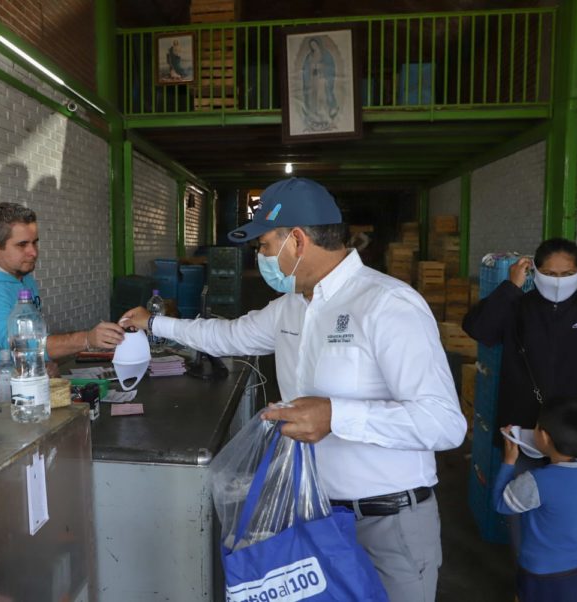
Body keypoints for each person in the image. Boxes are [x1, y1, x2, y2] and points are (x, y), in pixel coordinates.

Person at [121, 177, 467, 602]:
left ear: (297, 240)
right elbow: (230, 336)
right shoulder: (292, 306)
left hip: (385, 525)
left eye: (265, 246)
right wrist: (154, 324)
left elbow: (445, 424)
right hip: (314, 517)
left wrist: (335, 415)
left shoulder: (387, 305)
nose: (263, 258)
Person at [463, 237, 577, 602]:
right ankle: (533, 590)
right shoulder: (518, 307)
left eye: (568, 273)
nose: (558, 280)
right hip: (528, 435)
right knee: (522, 524)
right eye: (550, 273)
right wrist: (510, 285)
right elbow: (479, 329)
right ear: (533, 271)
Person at [0, 202, 125, 401]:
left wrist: (44, 363)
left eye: (35, 242)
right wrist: (87, 339)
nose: (33, 252)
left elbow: (34, 336)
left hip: (26, 400)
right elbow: (22, 345)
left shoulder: (23, 278)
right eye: (22, 245)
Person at [494, 398, 577, 602]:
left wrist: (509, 461)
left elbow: (501, 503)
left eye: (537, 428)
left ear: (545, 438)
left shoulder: (538, 481)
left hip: (544, 579)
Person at [302, 37, 338, 130]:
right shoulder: (310, 56)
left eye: (314, 44)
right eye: (311, 45)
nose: (313, 46)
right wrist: (312, 68)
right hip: (313, 79)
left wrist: (320, 67)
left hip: (322, 79)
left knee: (322, 96)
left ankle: (324, 113)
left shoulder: (325, 55)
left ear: (318, 44)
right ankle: (315, 114)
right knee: (314, 96)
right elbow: (306, 69)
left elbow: (330, 67)